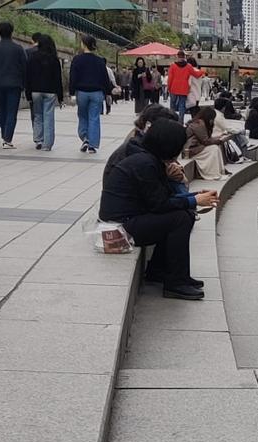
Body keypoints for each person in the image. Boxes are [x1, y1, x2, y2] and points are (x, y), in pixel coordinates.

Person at [99, 119, 218, 301]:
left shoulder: (147, 158)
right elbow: (159, 205)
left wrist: (193, 197)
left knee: (185, 214)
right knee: (180, 219)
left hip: (127, 221)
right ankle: (176, 282)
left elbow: (159, 199)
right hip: (116, 231)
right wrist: (194, 200)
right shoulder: (145, 163)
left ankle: (159, 270)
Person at [0, 21, 27, 149]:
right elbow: (24, 67)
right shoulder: (18, 48)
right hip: (14, 84)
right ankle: (7, 139)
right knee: (12, 112)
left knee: (0, 109)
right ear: (11, 32)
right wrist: (24, 83)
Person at [68, 34, 109, 154]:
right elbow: (104, 78)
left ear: (84, 44)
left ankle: (85, 138)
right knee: (94, 118)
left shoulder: (77, 59)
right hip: (97, 93)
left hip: (82, 92)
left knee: (83, 116)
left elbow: (73, 77)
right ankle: (92, 145)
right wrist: (107, 92)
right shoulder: (100, 61)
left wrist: (72, 93)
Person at [25, 33, 61, 151]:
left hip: (35, 91)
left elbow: (28, 76)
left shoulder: (32, 57)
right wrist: (60, 96)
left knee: (38, 116)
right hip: (50, 91)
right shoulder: (54, 59)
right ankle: (47, 144)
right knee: (48, 116)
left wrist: (28, 93)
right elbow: (58, 79)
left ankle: (38, 140)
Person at [185, 106, 230, 180]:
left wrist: (217, 138)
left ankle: (219, 172)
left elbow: (205, 139)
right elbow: (205, 141)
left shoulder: (200, 123)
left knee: (215, 148)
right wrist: (218, 141)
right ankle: (213, 174)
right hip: (192, 149)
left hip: (197, 147)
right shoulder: (199, 124)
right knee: (213, 149)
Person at [167, 50, 204, 120]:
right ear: (184, 57)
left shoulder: (173, 66)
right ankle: (181, 121)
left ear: (177, 57)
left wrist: (169, 88)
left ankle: (171, 120)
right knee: (182, 106)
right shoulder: (188, 66)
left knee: (172, 106)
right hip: (183, 89)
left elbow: (170, 78)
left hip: (174, 88)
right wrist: (202, 71)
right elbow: (196, 75)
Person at [26, 33, 43, 145]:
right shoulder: (49, 52)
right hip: (48, 88)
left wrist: (27, 91)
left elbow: (26, 73)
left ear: (33, 40)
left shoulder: (28, 52)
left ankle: (37, 136)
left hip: (34, 87)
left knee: (36, 113)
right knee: (46, 114)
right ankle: (46, 136)